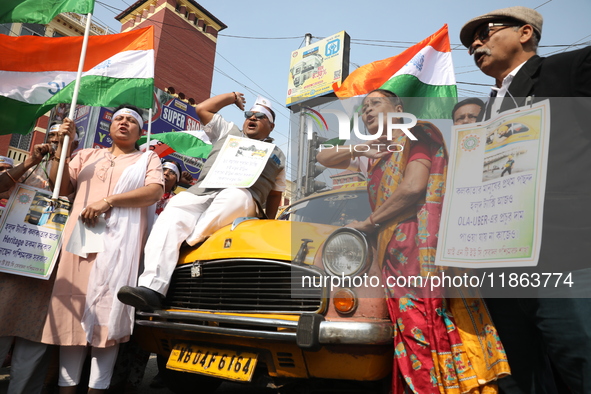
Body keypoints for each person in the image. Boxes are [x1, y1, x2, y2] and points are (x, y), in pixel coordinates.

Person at [317, 89, 510, 393]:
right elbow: (323, 156)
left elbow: (413, 187)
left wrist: (368, 223)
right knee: (409, 331)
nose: (367, 110)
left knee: (427, 322)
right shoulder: (373, 156)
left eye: (375, 103)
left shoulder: (416, 136)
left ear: (398, 108)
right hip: (391, 252)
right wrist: (362, 149)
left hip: (420, 250)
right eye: (364, 107)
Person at [460, 6, 591, 393]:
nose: (475, 44)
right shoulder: (482, 112)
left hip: (563, 258)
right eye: (469, 43)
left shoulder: (568, 70)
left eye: (485, 32)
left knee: (579, 362)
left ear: (526, 33)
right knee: (521, 372)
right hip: (500, 268)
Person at [117, 92, 286, 311]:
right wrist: (231, 97)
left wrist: (268, 225)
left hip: (244, 198)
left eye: (260, 117)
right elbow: (202, 109)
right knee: (174, 208)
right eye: (249, 115)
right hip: (203, 192)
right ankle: (151, 289)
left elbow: (275, 194)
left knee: (233, 196)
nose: (252, 119)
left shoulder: (279, 155)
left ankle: (189, 242)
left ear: (271, 127)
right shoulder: (228, 131)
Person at [40, 105, 164, 393]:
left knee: (108, 318)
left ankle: (98, 387)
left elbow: (154, 191)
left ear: (140, 131)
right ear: (109, 126)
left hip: (119, 250)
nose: (124, 123)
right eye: (119, 118)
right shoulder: (87, 156)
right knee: (71, 317)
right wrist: (64, 147)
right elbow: (59, 184)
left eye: (131, 120)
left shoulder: (147, 159)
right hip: (79, 246)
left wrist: (110, 201)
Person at [0, 143, 61, 394]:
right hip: (9, 269)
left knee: (32, 344)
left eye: (67, 138)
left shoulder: (79, 174)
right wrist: (28, 163)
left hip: (44, 275)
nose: (59, 143)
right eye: (55, 136)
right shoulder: (28, 170)